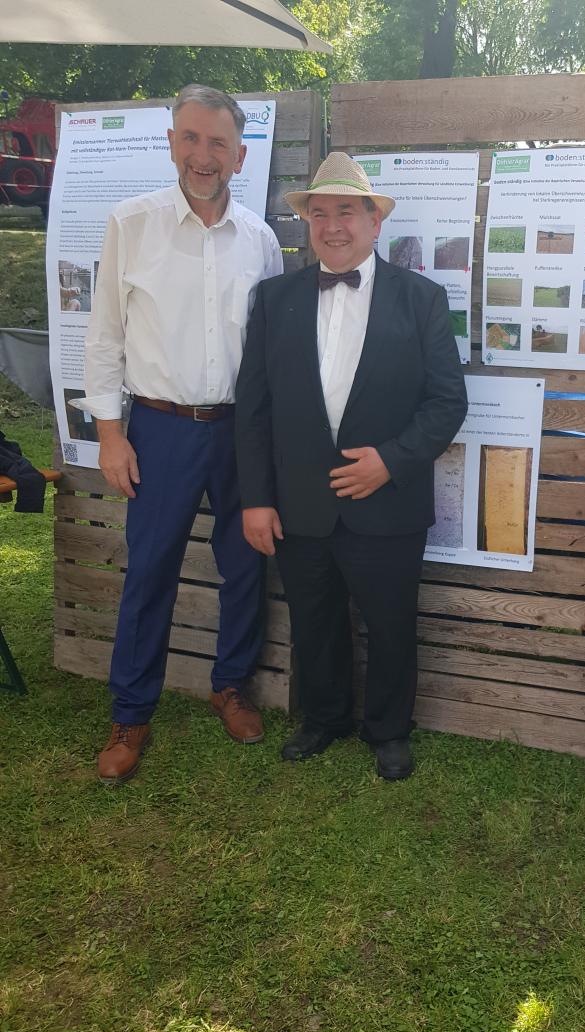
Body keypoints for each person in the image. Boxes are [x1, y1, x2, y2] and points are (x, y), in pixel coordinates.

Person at [235, 152, 467, 781]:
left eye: (345, 211)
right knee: (314, 618)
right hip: (299, 501)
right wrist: (255, 498)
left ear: (373, 221)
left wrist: (390, 463)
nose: (331, 225)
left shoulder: (421, 298)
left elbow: (448, 402)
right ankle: (324, 718)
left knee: (391, 624)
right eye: (319, 213)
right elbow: (252, 410)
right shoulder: (274, 298)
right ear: (307, 223)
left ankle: (389, 729)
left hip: (387, 502)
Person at [76, 84, 283, 785]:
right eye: (191, 139)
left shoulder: (259, 240)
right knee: (150, 571)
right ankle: (131, 713)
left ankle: (230, 686)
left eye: (218, 142)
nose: (204, 155)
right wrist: (111, 434)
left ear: (239, 154)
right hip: (158, 430)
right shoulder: (130, 224)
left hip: (240, 432)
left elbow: (271, 352)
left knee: (246, 562)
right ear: (170, 142)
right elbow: (102, 338)